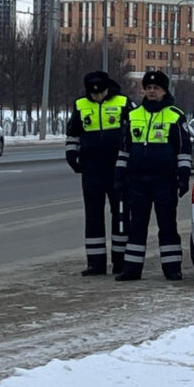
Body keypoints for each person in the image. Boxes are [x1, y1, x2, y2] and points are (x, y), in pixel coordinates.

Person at [114, 70, 192, 281]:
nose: (151, 91)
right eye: (148, 88)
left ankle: (172, 268)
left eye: (156, 88)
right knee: (136, 225)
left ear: (164, 90)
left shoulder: (175, 115)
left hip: (164, 180)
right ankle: (131, 269)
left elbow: (184, 150)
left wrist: (183, 177)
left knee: (167, 225)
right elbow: (124, 150)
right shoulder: (133, 115)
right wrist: (119, 177)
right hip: (137, 180)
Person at [65, 71, 131, 276]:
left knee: (119, 214)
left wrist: (128, 159)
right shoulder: (80, 105)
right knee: (93, 215)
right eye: (93, 94)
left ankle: (120, 261)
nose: (97, 97)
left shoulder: (123, 103)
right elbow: (73, 133)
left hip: (117, 167)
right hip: (91, 168)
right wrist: (72, 156)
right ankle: (95, 263)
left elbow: (132, 133)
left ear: (107, 88)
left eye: (101, 93)